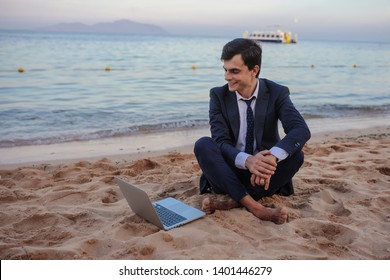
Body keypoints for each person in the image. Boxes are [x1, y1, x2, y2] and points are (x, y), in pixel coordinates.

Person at [194, 38, 311, 224]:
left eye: (234, 71)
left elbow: (300, 129)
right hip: (229, 170)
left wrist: (272, 156)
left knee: (296, 155)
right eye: (225, 70)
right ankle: (256, 207)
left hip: (264, 174)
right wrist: (248, 161)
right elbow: (220, 141)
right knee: (203, 145)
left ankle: (234, 201)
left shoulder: (277, 92)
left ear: (254, 70)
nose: (226, 77)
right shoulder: (218, 95)